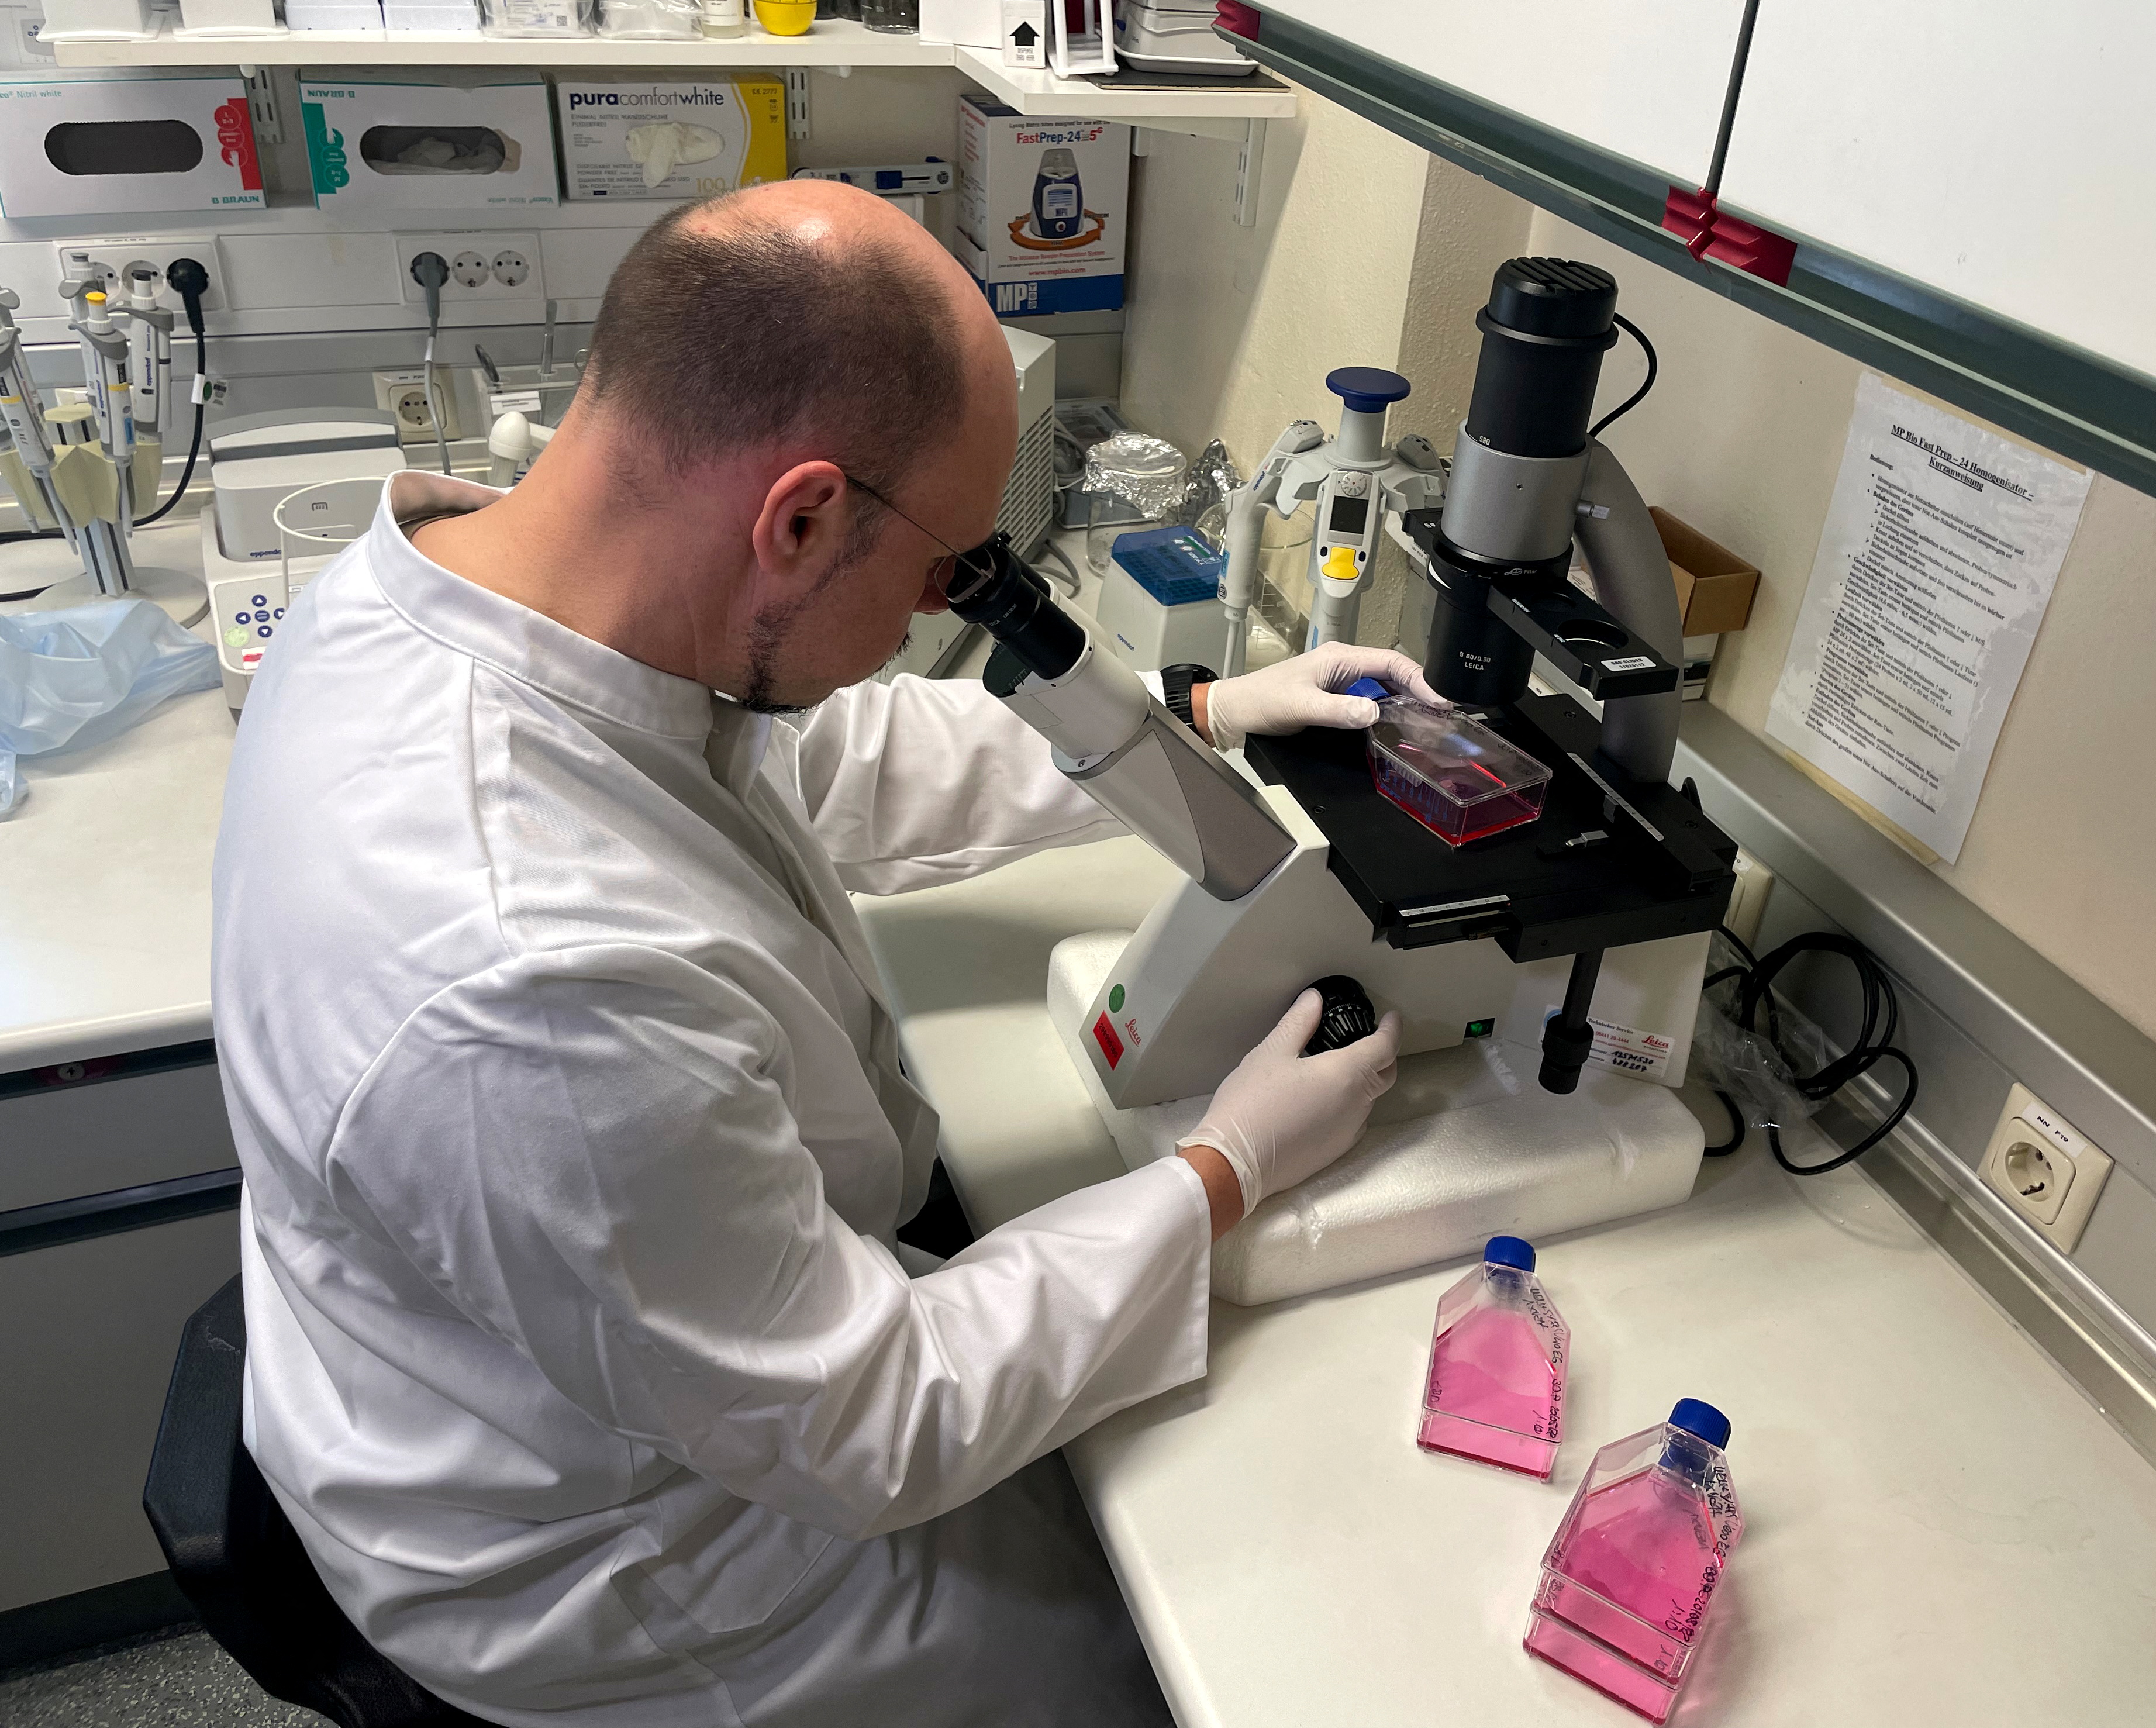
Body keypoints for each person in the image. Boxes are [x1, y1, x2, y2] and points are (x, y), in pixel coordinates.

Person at [214, 181, 1430, 1727]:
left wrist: (1196, 717)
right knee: (1181, 1653)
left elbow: (817, 752)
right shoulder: (526, 986)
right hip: (635, 1561)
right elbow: (874, 1418)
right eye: (944, 570)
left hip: (595, 1357)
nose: (942, 610)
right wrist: (1223, 1172)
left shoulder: (480, 583)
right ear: (794, 518)